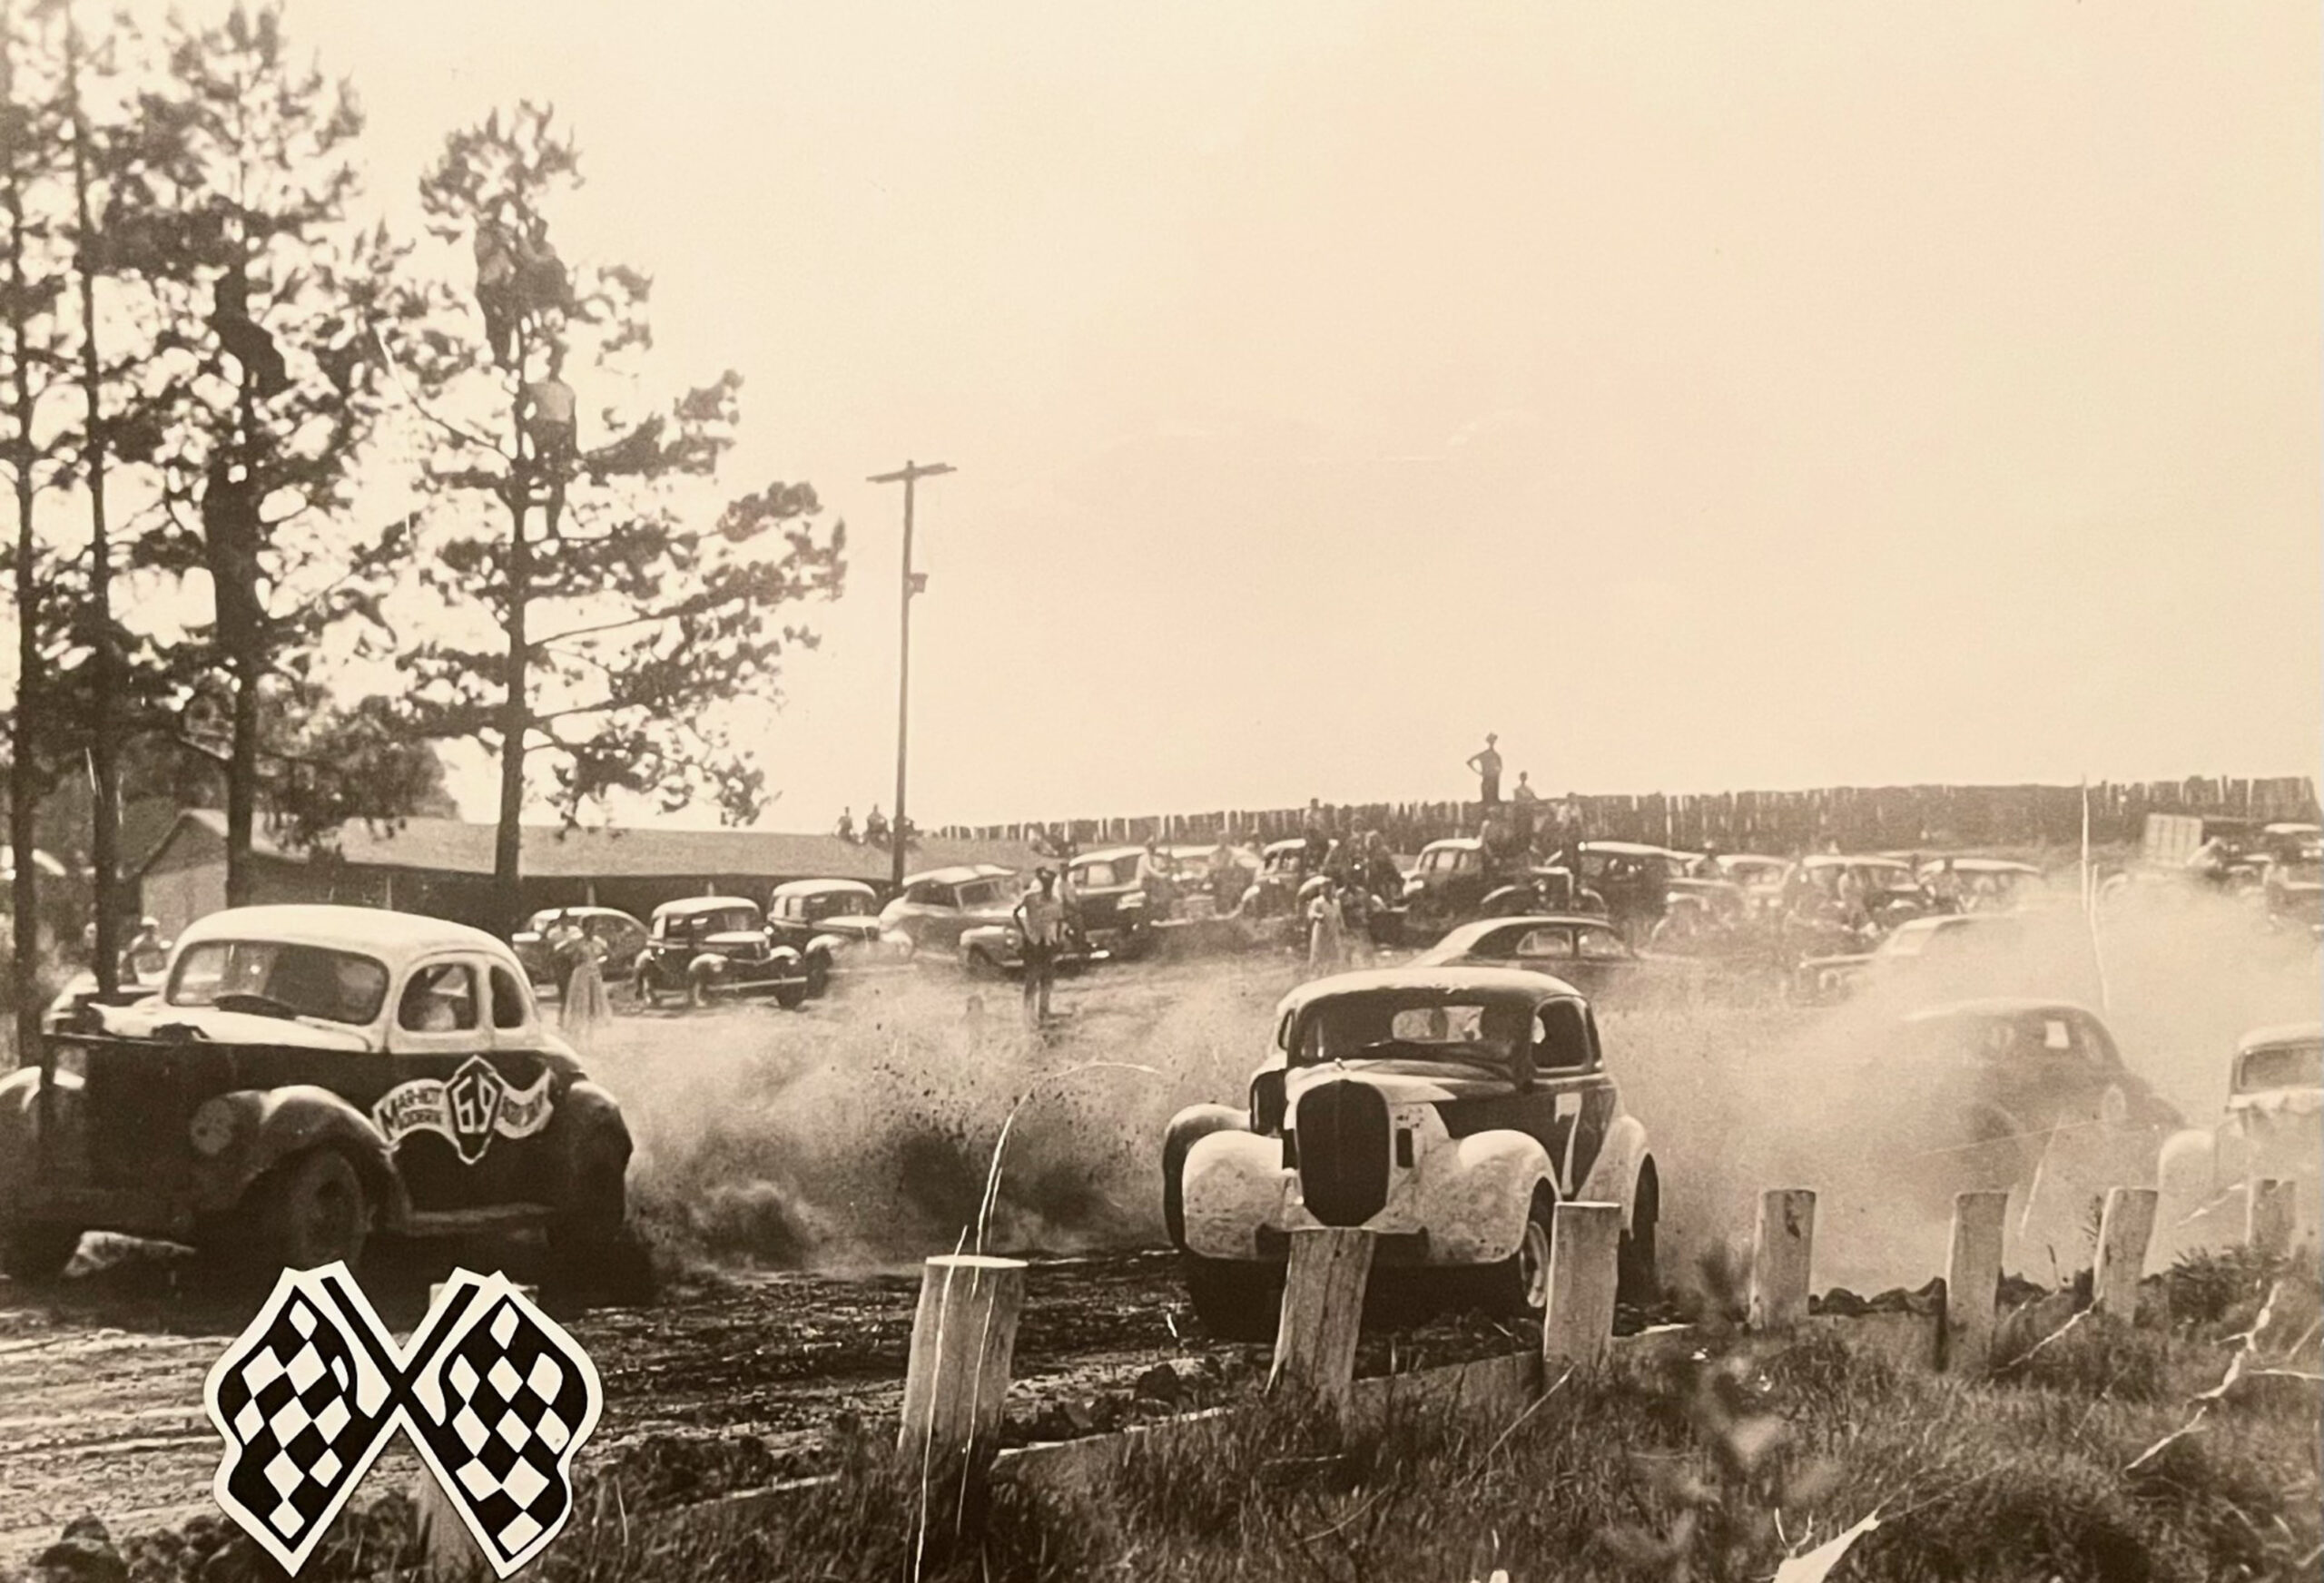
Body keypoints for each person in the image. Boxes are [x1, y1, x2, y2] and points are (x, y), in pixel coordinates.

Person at [1013, 868, 1066, 1025]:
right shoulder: (1030, 898)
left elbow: (1059, 920)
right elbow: (1016, 913)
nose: (1048, 888)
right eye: (1046, 884)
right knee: (1032, 975)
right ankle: (1027, 1012)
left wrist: (1057, 937)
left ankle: (1044, 1010)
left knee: (1047, 976)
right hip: (1033, 940)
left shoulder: (1056, 902)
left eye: (1050, 885)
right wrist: (1024, 931)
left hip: (1048, 941)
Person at [559, 928, 611, 1053]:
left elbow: (608, 954)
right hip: (582, 975)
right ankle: (576, 1038)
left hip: (594, 974)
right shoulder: (578, 942)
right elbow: (568, 955)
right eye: (588, 926)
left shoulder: (598, 942)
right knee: (580, 1004)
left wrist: (601, 960)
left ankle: (589, 1040)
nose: (590, 930)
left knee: (593, 1006)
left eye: (592, 926)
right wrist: (577, 958)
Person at [1305, 881, 1345, 974]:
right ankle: (1316, 972)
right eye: (1326, 889)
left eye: (1331, 888)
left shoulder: (1336, 902)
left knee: (1334, 952)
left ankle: (1331, 972)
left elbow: (1339, 916)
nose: (1329, 891)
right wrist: (1317, 916)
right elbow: (1310, 913)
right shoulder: (1318, 902)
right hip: (1321, 930)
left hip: (1333, 930)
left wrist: (1343, 926)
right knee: (1319, 952)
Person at [123, 918, 170, 984]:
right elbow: (129, 956)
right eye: (148, 928)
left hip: (158, 971)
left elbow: (162, 954)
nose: (151, 930)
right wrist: (128, 972)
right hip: (144, 972)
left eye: (153, 928)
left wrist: (165, 966)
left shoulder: (157, 940)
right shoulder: (138, 942)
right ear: (144, 929)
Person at [1467, 734, 1503, 805]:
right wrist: (1479, 772)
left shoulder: (1496, 755)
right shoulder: (1484, 754)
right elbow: (1469, 762)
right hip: (1487, 778)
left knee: (1495, 799)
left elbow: (1500, 767)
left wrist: (1497, 771)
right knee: (1486, 799)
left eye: (1493, 741)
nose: (1492, 743)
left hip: (1494, 779)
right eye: (1491, 741)